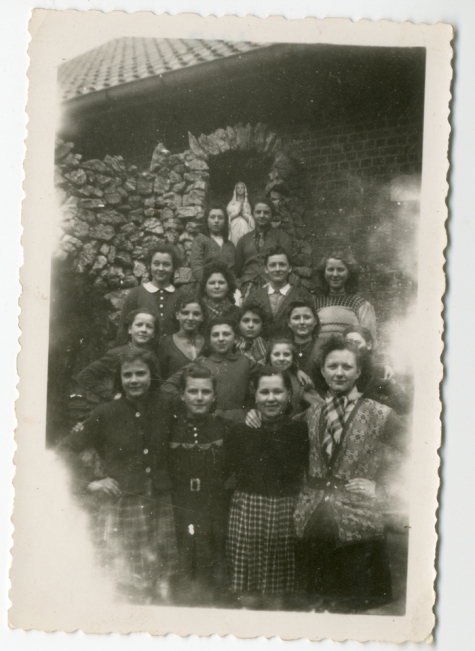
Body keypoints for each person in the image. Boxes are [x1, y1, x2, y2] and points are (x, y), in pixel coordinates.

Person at [292, 336, 406, 612]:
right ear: (322, 370)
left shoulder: (382, 414)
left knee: (352, 612)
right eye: (332, 366)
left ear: (359, 371)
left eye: (346, 366)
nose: (339, 372)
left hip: (359, 527)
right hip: (315, 524)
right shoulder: (310, 414)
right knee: (317, 611)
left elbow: (423, 456)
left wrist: (381, 489)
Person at [57, 349, 177, 604]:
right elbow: (65, 449)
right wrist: (89, 482)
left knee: (162, 578)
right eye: (128, 375)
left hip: (162, 502)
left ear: (152, 376)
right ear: (120, 379)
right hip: (125, 505)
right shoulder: (106, 412)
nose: (134, 380)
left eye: (140, 374)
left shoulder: (167, 406)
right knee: (127, 578)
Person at [226, 367, 309, 608]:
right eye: (264, 392)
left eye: (277, 392)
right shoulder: (240, 430)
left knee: (276, 592)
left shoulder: (299, 430)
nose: (271, 398)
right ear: (254, 394)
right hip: (247, 512)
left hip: (284, 512)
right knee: (247, 589)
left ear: (288, 394)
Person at [165, 365, 230, 604]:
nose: (200, 398)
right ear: (182, 395)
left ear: (214, 396)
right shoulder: (169, 426)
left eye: (206, 392)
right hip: (179, 504)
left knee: (210, 554)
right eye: (193, 391)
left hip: (213, 505)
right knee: (182, 554)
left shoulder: (225, 427)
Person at [161, 317, 254, 424]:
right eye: (215, 335)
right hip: (210, 421)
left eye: (226, 334)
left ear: (236, 339)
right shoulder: (202, 363)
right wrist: (189, 401)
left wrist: (252, 410)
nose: (220, 339)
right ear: (209, 339)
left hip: (239, 421)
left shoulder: (245, 362)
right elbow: (167, 386)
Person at [77, 309, 160, 405]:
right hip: (123, 406)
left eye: (149, 326)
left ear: (154, 334)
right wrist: (111, 395)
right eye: (139, 325)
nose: (144, 330)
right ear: (129, 329)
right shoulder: (117, 353)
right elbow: (85, 376)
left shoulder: (153, 355)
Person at [343, 325, 412, 415]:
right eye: (348, 343)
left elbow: (404, 405)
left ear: (368, 345)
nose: (352, 347)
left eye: (357, 343)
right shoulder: (338, 370)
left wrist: (372, 399)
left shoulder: (380, 371)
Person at [118, 243, 181, 338]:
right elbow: (123, 329)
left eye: (166, 264)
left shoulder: (180, 296)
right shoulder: (136, 294)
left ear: (173, 268)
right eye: (156, 264)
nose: (161, 268)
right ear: (149, 266)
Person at [250, 246, 314, 338]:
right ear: (266, 269)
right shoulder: (255, 296)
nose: (277, 269)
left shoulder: (302, 295)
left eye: (282, 265)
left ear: (290, 268)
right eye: (272, 265)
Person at [235, 197, 293, 299]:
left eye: (266, 212)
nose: (262, 215)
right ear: (253, 214)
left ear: (272, 216)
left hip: (273, 286)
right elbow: (237, 270)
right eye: (258, 212)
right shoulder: (243, 240)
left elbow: (287, 266)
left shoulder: (282, 238)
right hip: (247, 287)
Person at [314, 251, 377, 343]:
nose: (335, 274)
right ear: (323, 273)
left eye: (340, 270)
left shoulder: (360, 305)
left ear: (349, 273)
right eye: (330, 269)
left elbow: (369, 340)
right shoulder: (315, 303)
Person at [267, 338, 322, 416]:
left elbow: (321, 405)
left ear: (293, 358)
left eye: (286, 354)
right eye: (276, 354)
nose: (281, 359)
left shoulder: (299, 380)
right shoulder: (260, 377)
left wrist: (301, 417)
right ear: (269, 357)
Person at [159, 294, 206, 380]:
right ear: (177, 315)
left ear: (202, 317)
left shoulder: (209, 343)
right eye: (185, 313)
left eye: (196, 314)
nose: (190, 318)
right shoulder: (165, 344)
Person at [190, 204, 236, 282]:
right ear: (207, 220)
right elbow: (196, 268)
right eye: (212, 217)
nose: (216, 221)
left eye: (220, 218)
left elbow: (232, 271)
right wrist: (208, 284)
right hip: (207, 285)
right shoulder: (200, 240)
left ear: (225, 221)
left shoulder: (230, 245)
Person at [286, 300, 321, 376]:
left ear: (315, 321)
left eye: (307, 317)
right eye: (296, 318)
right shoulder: (284, 348)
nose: (302, 322)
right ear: (289, 323)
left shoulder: (322, 347)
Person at [234, 300, 268, 366]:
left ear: (262, 326)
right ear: (238, 324)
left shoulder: (267, 347)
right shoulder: (232, 346)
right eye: (246, 321)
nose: (251, 325)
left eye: (256, 321)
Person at [226, 182, 255, 246]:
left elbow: (250, 219)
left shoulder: (247, 204)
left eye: (242, 188)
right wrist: (238, 213)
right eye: (238, 188)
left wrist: (242, 214)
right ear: (235, 190)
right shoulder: (232, 203)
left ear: (245, 190)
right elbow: (228, 217)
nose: (240, 189)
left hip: (245, 226)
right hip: (234, 226)